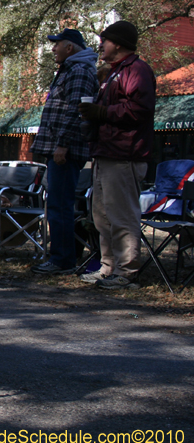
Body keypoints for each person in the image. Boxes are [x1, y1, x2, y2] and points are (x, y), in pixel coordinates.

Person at [78, 20, 156, 290]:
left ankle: (126, 272)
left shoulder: (137, 70)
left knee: (122, 215)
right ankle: (108, 267)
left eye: (105, 41)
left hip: (125, 154)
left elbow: (139, 110)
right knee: (102, 216)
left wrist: (102, 113)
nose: (101, 45)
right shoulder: (112, 73)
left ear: (119, 43)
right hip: (105, 152)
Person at [30, 29, 98, 275]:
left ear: (70, 47)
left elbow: (76, 110)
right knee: (56, 204)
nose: (52, 49)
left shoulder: (79, 71)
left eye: (56, 44)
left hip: (65, 150)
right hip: (59, 147)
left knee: (60, 205)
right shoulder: (70, 70)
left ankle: (62, 260)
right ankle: (61, 256)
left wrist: (63, 144)